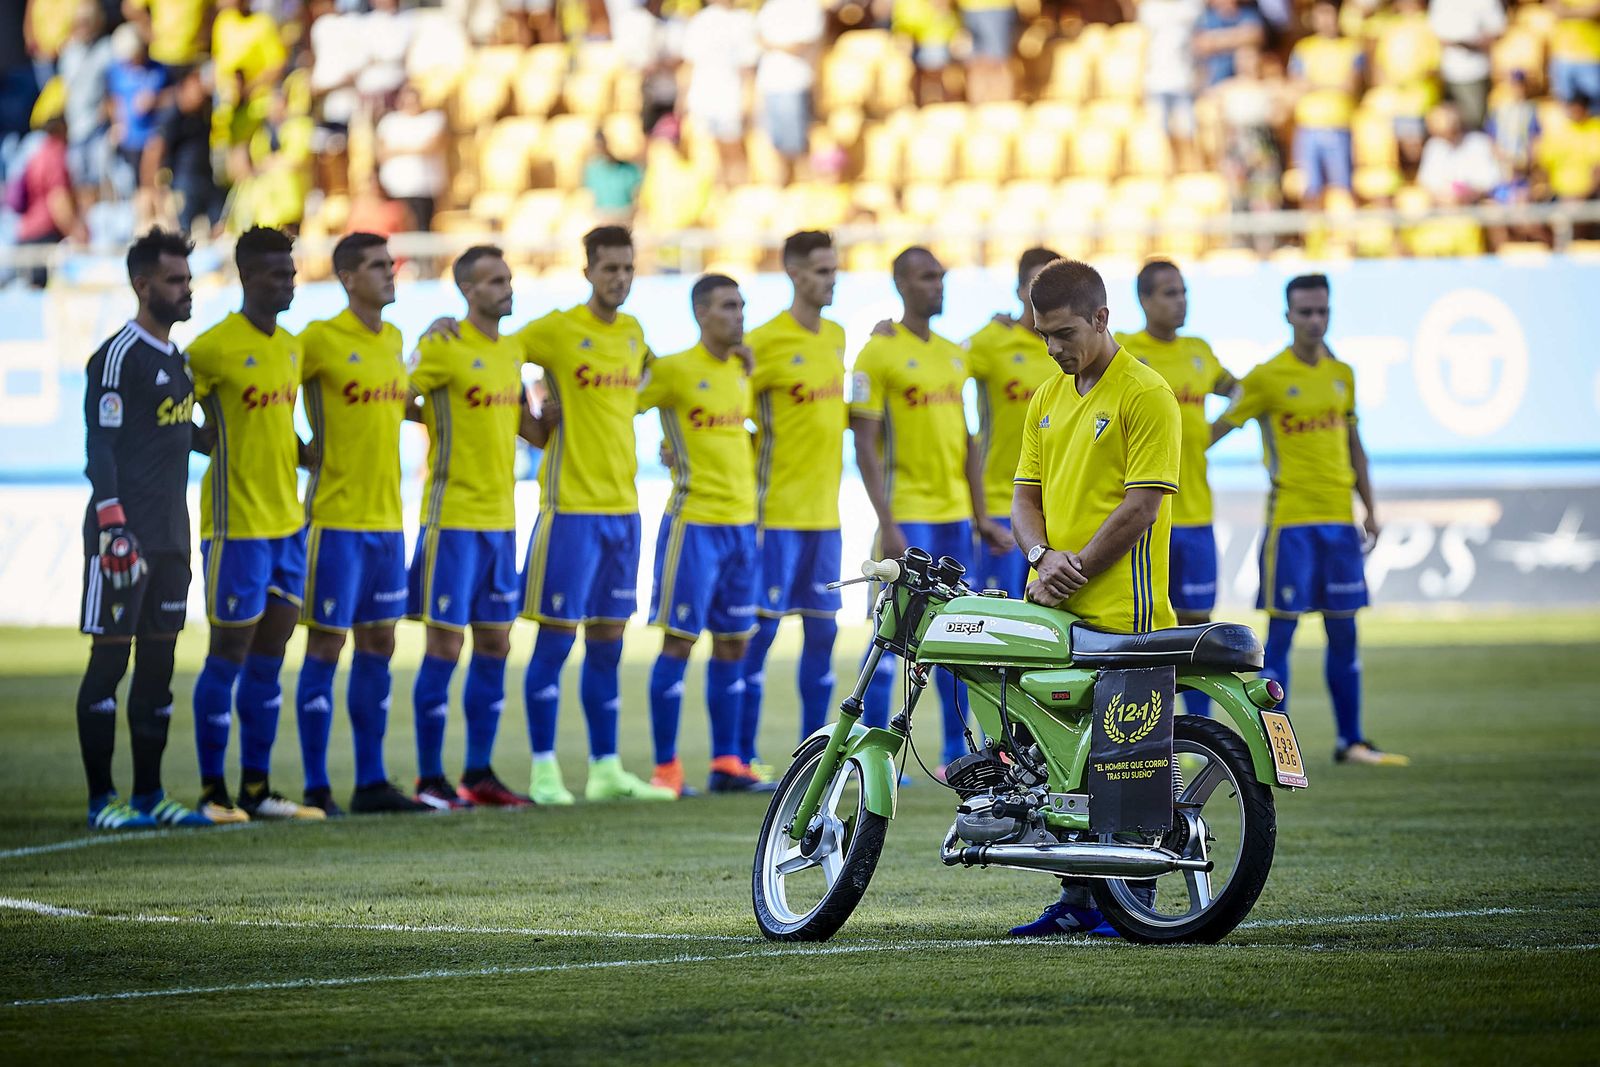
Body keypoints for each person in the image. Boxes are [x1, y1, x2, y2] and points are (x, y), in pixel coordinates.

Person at [1007, 258, 1181, 938]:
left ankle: (1134, 904)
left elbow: (1142, 506)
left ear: (1102, 318)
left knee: (1127, 762)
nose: (1053, 346)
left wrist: (1073, 567)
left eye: (1064, 332)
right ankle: (1077, 901)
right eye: (1043, 334)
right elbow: (1025, 493)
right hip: (1053, 608)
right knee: (1058, 764)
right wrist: (1038, 556)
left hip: (1124, 614)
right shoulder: (1047, 396)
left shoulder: (1145, 392)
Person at [1208, 274, 1408, 767]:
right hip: (1290, 524)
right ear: (1288, 316)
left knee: (1345, 634)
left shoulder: (1342, 374)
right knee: (1281, 639)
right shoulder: (1266, 377)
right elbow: (1215, 431)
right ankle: (1278, 750)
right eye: (1306, 312)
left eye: (1322, 311)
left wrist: (1370, 508)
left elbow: (1353, 445)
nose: (1315, 321)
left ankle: (1352, 741)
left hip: (1339, 524)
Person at [507, 226, 672, 805]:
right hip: (570, 512)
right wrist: (530, 420)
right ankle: (544, 770)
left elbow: (655, 381)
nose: (620, 279)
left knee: (608, 643)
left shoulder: (632, 334)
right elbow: (498, 357)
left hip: (623, 512)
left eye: (627, 268)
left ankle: (605, 769)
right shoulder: (556, 330)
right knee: (554, 645)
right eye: (609, 269)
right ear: (587, 272)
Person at [76, 228, 211, 831]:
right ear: (143, 285)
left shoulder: (178, 360)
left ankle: (152, 793)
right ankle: (103, 800)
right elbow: (98, 447)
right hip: (123, 536)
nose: (187, 291)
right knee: (110, 663)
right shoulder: (116, 356)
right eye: (175, 281)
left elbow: (190, 438)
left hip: (172, 536)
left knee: (159, 667)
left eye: (188, 279)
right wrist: (113, 528)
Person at [188, 226, 322, 823]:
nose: (287, 282)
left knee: (271, 655)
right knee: (228, 652)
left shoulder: (292, 347)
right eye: (275, 273)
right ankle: (213, 791)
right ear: (246, 277)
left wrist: (301, 450)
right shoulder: (212, 348)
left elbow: (275, 424)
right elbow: (167, 413)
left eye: (291, 272)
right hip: (235, 526)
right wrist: (199, 439)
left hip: (287, 524)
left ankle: (257, 789)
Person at [292, 234, 430, 816]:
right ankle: (317, 786)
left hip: (385, 521)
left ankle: (371, 782)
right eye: (377, 266)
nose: (390, 273)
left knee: (381, 640)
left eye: (390, 264)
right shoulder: (318, 340)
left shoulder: (394, 338)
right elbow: (272, 396)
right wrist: (300, 452)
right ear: (348, 277)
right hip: (334, 520)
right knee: (326, 645)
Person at [406, 246, 543, 811]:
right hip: (452, 519)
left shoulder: (511, 349)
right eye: (493, 281)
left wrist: (543, 419)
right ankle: (429, 779)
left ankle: (478, 773)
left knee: (496, 640)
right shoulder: (443, 344)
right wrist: (433, 414)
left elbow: (526, 429)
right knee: (444, 642)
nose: (506, 288)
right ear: (466, 290)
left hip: (500, 520)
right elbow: (395, 396)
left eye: (508, 279)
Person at [639, 274, 771, 796]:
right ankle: (666, 769)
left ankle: (727, 763)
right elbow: (621, 406)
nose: (739, 315)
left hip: (742, 527)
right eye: (727, 306)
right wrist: (663, 448)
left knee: (735, 645)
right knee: (679, 642)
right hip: (693, 526)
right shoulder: (672, 371)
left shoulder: (742, 370)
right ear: (700, 314)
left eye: (741, 305)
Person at [849, 246, 977, 771]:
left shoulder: (954, 353)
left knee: (962, 638)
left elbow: (967, 439)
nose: (938, 285)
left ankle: (956, 753)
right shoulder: (875, 354)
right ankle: (870, 749)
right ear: (901, 283)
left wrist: (983, 513)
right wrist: (887, 521)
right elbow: (864, 444)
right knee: (891, 633)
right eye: (927, 277)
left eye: (941, 276)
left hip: (955, 516)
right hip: (908, 516)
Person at [737, 231, 847, 777]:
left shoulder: (837, 337)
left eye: (834, 269)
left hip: (826, 518)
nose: (832, 279)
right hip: (775, 517)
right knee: (759, 636)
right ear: (793, 273)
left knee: (823, 635)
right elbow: (724, 408)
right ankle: (738, 756)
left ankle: (811, 760)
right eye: (822, 270)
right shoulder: (763, 343)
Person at [1114, 260, 1236, 716]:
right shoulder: (1125, 351)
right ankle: (1152, 726)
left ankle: (1201, 728)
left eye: (1182, 291)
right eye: (1168, 293)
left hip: (1196, 513)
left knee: (1199, 627)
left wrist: (1210, 432)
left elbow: (1240, 391)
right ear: (1144, 300)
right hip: (1147, 518)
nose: (1179, 300)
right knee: (1148, 627)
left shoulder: (1200, 351)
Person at [965, 247, 1061, 599]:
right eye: (1039, 283)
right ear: (1021, 290)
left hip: (1060, 511)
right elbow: (937, 368)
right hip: (1001, 506)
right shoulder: (991, 341)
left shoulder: (1076, 349)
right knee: (995, 618)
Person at [1287, 0, 1363, 208]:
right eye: (1321, 15)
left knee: (1344, 188)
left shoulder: (1351, 48)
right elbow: (1297, 85)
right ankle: (1314, 238)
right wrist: (1333, 84)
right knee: (1310, 189)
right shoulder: (1303, 48)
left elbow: (1350, 86)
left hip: (1339, 126)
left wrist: (1315, 84)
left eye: (1330, 15)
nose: (1326, 21)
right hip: (1309, 127)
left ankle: (1349, 237)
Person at [679, 0, 759, 186]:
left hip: (730, 97)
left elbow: (748, 68)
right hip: (703, 98)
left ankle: (738, 192)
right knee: (708, 152)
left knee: (734, 149)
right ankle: (719, 197)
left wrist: (749, 98)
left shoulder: (743, 21)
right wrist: (683, 98)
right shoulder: (699, 21)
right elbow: (689, 64)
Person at [755, 0, 823, 181]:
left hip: (795, 83)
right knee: (775, 145)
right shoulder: (771, 6)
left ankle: (804, 186)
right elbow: (758, 37)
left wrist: (773, 44)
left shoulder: (808, 6)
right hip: (770, 84)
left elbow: (801, 45)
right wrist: (778, 44)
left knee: (798, 144)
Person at [374, 84, 446, 232]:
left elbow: (431, 146)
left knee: (422, 229)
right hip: (394, 188)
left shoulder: (433, 119)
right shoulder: (389, 122)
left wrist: (397, 149)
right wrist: (415, 148)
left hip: (424, 188)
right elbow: (381, 152)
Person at [1428, 0, 1506, 130]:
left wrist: (1469, 43)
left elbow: (1497, 31)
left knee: (1473, 124)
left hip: (1474, 72)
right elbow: (1435, 31)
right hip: (1445, 72)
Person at [1417, 100, 1502, 205]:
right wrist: (1444, 197)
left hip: (1476, 203)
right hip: (1442, 204)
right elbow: (1426, 182)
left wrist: (1469, 194)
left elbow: (1492, 180)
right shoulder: (1434, 146)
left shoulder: (1479, 142)